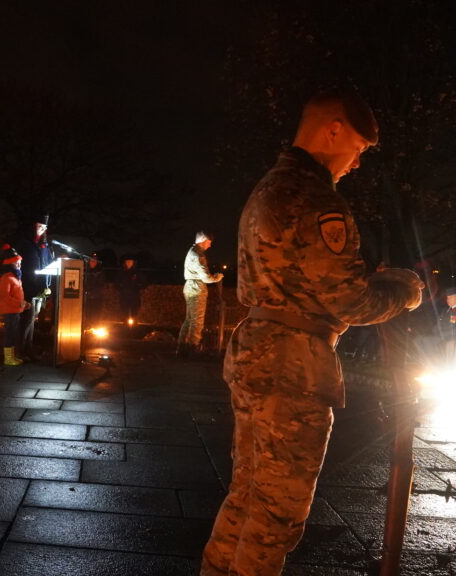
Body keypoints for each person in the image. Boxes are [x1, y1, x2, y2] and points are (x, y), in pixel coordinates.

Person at [200, 89, 424, 576]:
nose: (357, 162)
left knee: (246, 496)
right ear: (334, 130)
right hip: (293, 361)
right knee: (277, 515)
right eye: (359, 148)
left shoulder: (268, 188)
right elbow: (351, 301)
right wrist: (404, 292)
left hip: (256, 347)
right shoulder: (317, 200)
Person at [176, 231, 223, 358]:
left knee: (189, 319)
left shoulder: (192, 251)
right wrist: (216, 278)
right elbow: (206, 277)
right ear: (203, 241)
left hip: (190, 286)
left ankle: (182, 347)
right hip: (197, 287)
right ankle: (192, 348)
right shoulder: (198, 255)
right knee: (197, 320)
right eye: (209, 242)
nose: (210, 245)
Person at [14, 215, 54, 361]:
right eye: (39, 226)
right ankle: (19, 350)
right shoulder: (24, 242)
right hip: (26, 285)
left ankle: (28, 348)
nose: (41, 230)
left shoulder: (45, 245)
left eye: (44, 228)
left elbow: (49, 262)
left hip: (40, 287)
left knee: (32, 319)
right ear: (33, 226)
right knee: (27, 318)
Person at [0, 244, 27, 366]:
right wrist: (20, 303)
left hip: (15, 309)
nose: (19, 264)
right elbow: (4, 296)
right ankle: (8, 358)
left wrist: (23, 304)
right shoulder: (7, 277)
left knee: (13, 333)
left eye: (19, 262)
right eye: (16, 262)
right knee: (9, 333)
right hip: (9, 310)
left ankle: (12, 357)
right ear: (10, 264)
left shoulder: (15, 277)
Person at [115, 256, 145, 323]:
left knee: (134, 313)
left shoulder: (137, 272)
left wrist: (138, 286)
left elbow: (144, 282)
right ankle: (125, 327)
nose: (129, 263)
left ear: (133, 262)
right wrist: (121, 289)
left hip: (134, 296)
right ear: (125, 262)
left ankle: (134, 328)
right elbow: (116, 283)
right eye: (127, 261)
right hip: (124, 296)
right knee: (124, 313)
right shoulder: (122, 272)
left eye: (130, 261)